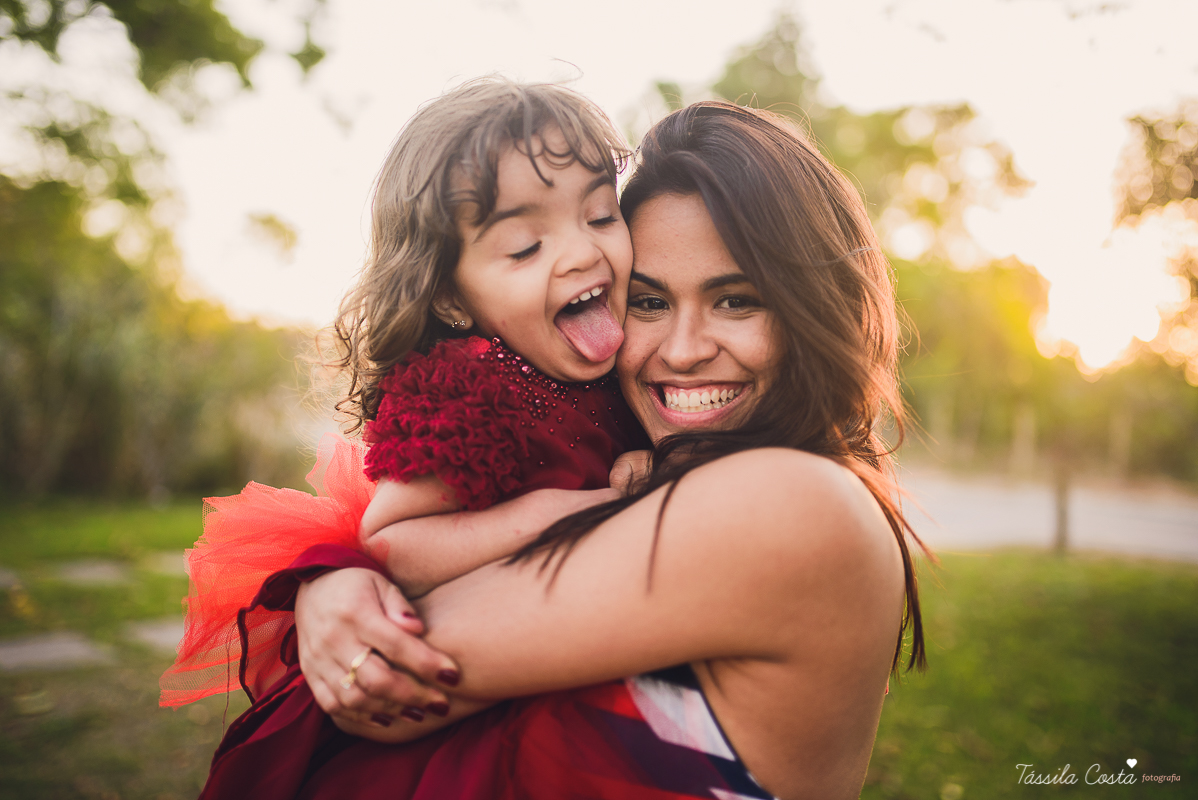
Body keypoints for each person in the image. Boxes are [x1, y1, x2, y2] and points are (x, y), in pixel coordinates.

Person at [204, 102, 928, 800]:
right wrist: (340, 578)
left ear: (817, 305)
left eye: (737, 299)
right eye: (646, 302)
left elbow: (382, 680)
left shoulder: (794, 505)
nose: (681, 351)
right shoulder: (616, 444)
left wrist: (343, 601)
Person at [161, 78, 648, 709]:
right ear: (448, 296)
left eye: (601, 215)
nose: (583, 251)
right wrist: (562, 511)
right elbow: (395, 541)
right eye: (526, 246)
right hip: (490, 683)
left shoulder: (627, 356)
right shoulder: (477, 387)